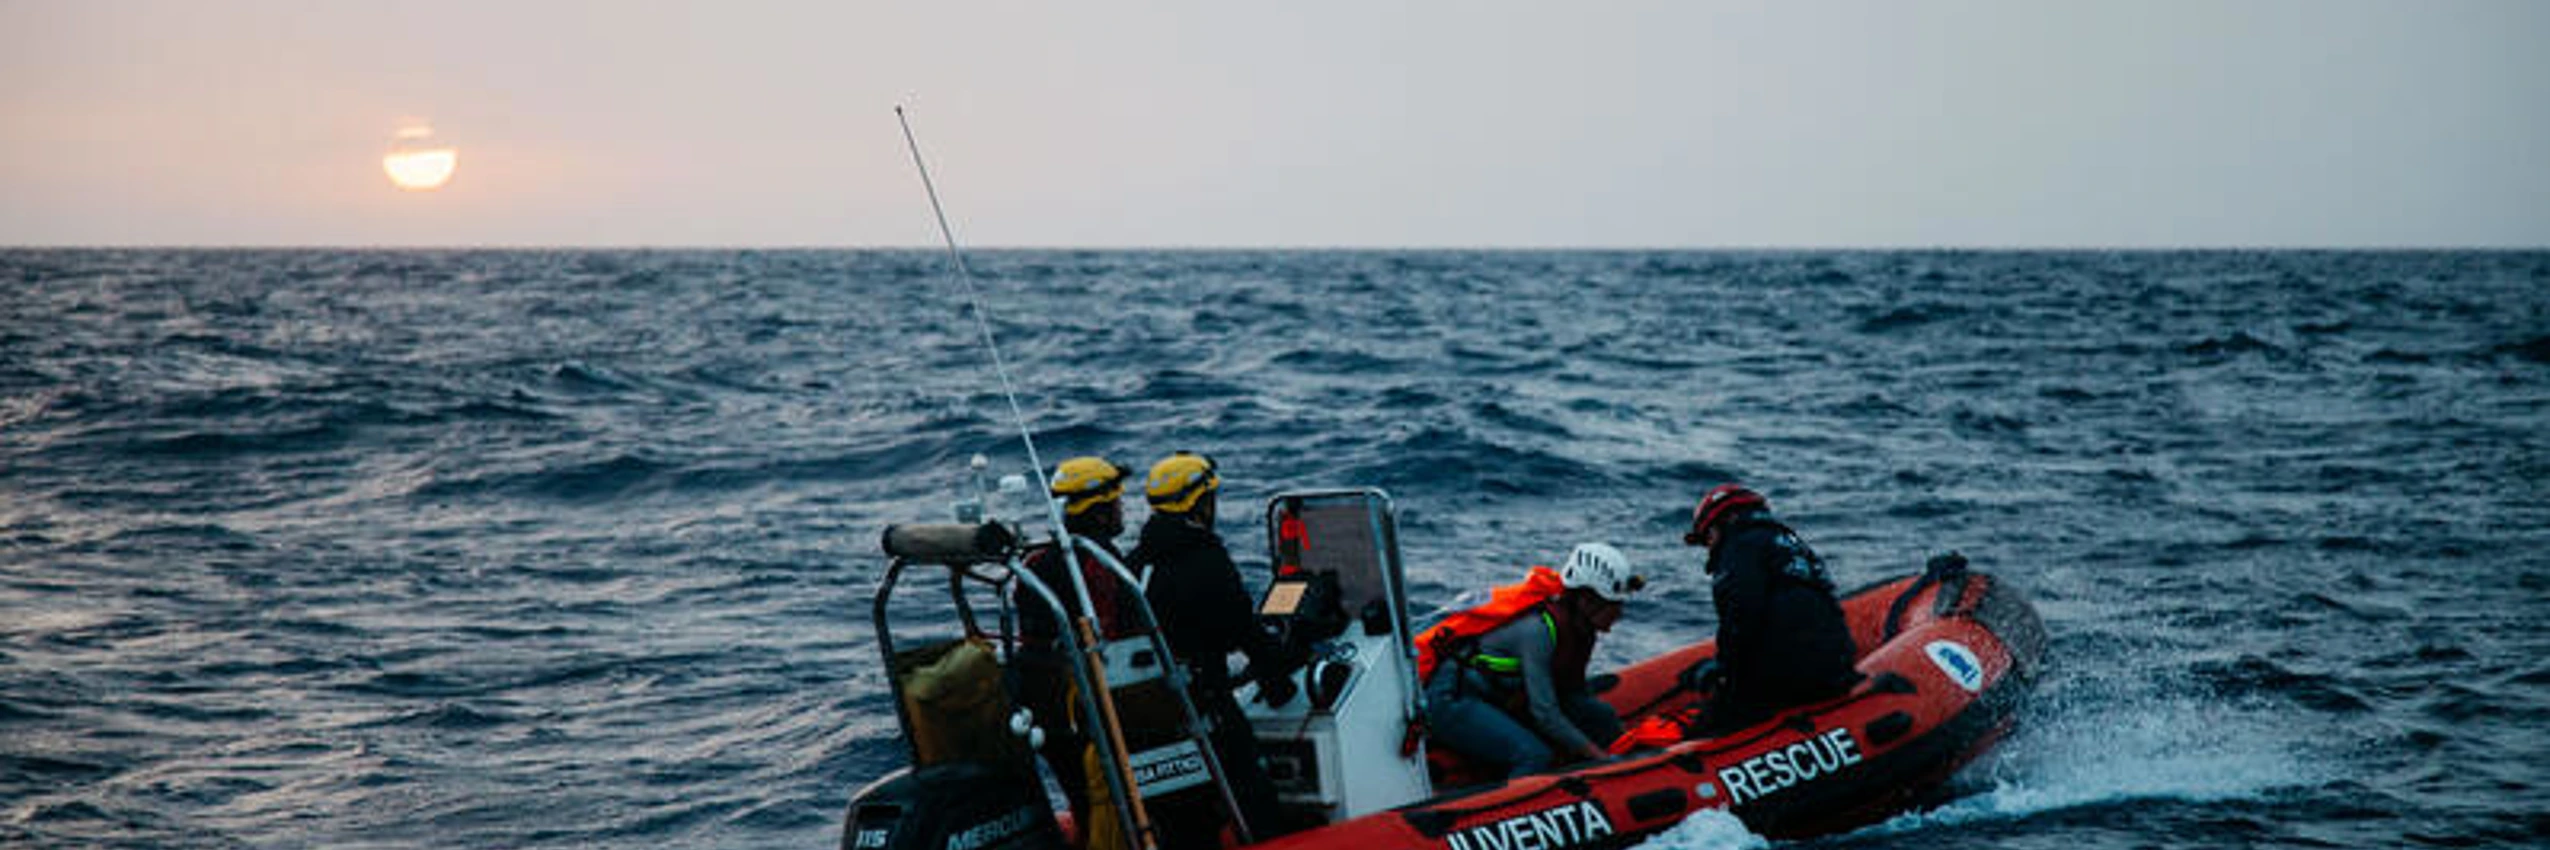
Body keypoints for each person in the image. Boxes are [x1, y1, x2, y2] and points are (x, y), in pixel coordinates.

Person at [1126, 451, 1292, 846]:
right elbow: (1246, 632)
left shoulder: (1134, 564)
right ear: (1200, 503)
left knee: (1182, 820)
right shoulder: (1206, 560)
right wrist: (1278, 682)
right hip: (1203, 705)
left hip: (1150, 712)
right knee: (1256, 796)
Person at [1416, 543, 1641, 778]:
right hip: (1451, 700)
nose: (1619, 614)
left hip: (1494, 698)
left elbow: (1573, 694)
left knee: (1600, 715)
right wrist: (1600, 759)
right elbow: (1545, 713)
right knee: (1533, 755)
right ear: (1586, 599)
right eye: (1613, 605)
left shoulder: (1580, 628)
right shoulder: (1538, 632)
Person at [1011, 456, 1143, 845]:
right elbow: (1116, 645)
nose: (1121, 511)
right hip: (1084, 703)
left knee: (1079, 792)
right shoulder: (1100, 565)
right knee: (1106, 789)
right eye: (1116, 503)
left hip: (1040, 702)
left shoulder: (1034, 561)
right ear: (1101, 511)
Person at [1682, 483, 1859, 735]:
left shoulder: (1737, 548)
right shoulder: (1793, 545)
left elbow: (1740, 620)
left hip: (1785, 678)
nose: (1709, 548)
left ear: (1721, 524)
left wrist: (1724, 679)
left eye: (1707, 538)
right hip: (1835, 671)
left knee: (1710, 725)